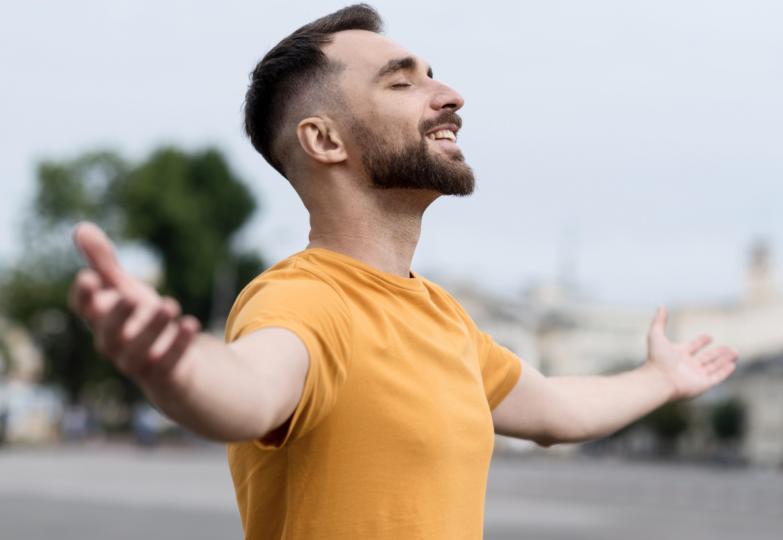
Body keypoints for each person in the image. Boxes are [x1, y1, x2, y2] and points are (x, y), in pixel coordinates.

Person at [68, 4, 739, 539]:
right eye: (404, 81)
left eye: (432, 75)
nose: (449, 96)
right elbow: (248, 389)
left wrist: (662, 378)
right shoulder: (302, 301)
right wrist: (174, 364)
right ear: (324, 140)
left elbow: (557, 411)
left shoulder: (441, 316)